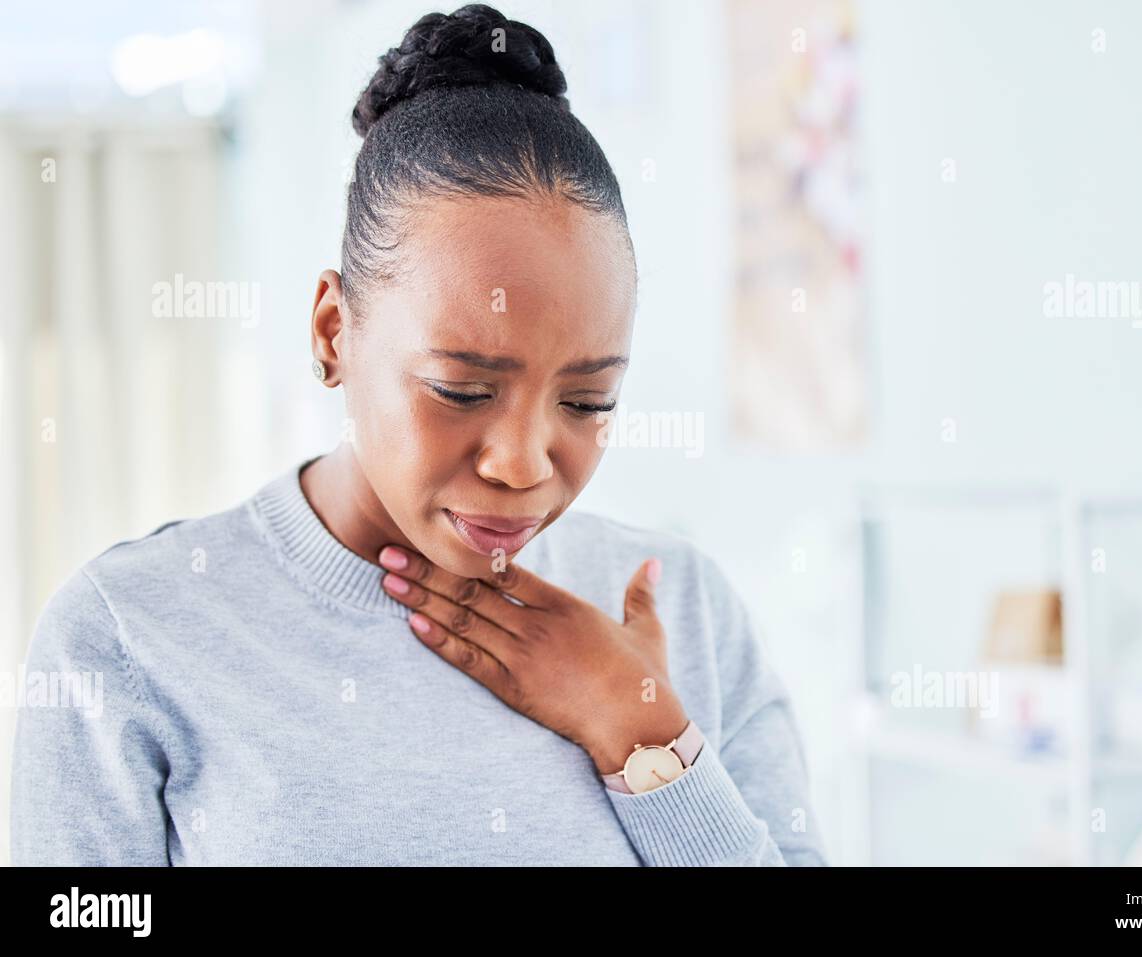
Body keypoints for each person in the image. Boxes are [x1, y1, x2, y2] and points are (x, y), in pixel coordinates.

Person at [9, 3, 828, 866]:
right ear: (334, 333)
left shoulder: (686, 611)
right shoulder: (128, 634)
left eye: (587, 402)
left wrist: (636, 727)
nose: (523, 463)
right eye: (462, 389)